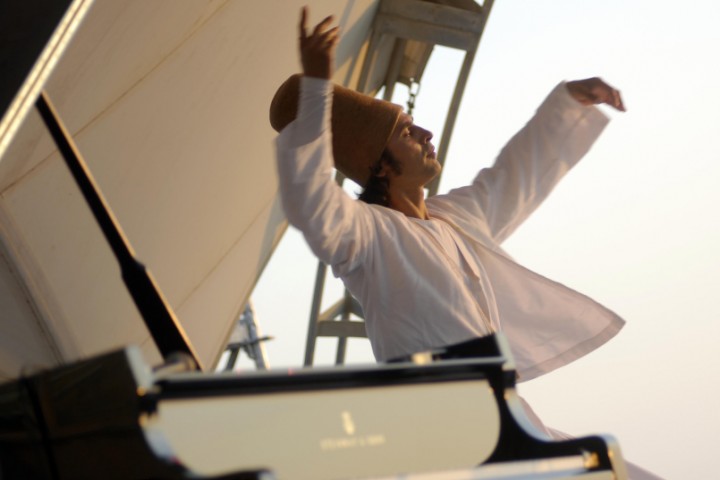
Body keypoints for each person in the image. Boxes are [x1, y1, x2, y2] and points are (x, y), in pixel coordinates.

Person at [270, 8, 662, 480]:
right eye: (406, 132)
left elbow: (512, 178)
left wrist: (568, 103)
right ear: (382, 166)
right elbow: (310, 200)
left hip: (505, 422)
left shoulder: (452, 218)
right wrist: (317, 86)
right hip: (449, 435)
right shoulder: (368, 234)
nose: (426, 133)